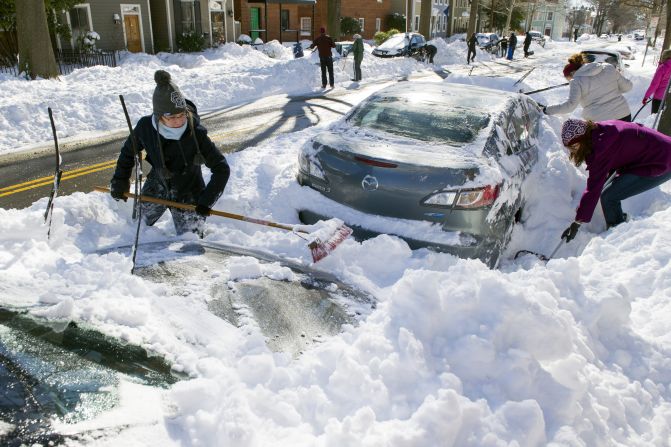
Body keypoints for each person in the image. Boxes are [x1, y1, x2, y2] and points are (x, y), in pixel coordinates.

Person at [110, 70, 230, 236]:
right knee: (137, 230)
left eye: (182, 115)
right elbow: (127, 153)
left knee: (191, 243)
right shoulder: (146, 128)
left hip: (189, 190)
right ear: (159, 117)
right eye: (172, 117)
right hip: (157, 185)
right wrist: (120, 180)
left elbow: (221, 168)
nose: (179, 121)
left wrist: (206, 201)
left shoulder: (196, 133)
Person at [559, 118, 671, 241]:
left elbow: (593, 189)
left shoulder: (600, 148)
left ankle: (619, 237)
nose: (573, 151)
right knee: (609, 193)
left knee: (609, 197)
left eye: (574, 146)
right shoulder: (601, 130)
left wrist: (578, 222)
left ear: (584, 138)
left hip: (660, 161)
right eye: (570, 148)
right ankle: (621, 224)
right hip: (660, 151)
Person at [544, 53, 633, 122]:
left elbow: (570, 106)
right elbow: (628, 87)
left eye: (568, 79)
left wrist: (547, 110)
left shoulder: (576, 81)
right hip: (624, 115)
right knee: (624, 144)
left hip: (602, 121)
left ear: (572, 73)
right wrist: (611, 88)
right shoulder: (608, 68)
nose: (569, 81)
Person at [643, 49, 671, 114]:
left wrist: (646, 97)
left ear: (665, 57)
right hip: (669, 98)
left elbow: (655, 84)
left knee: (654, 118)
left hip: (659, 98)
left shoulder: (663, 68)